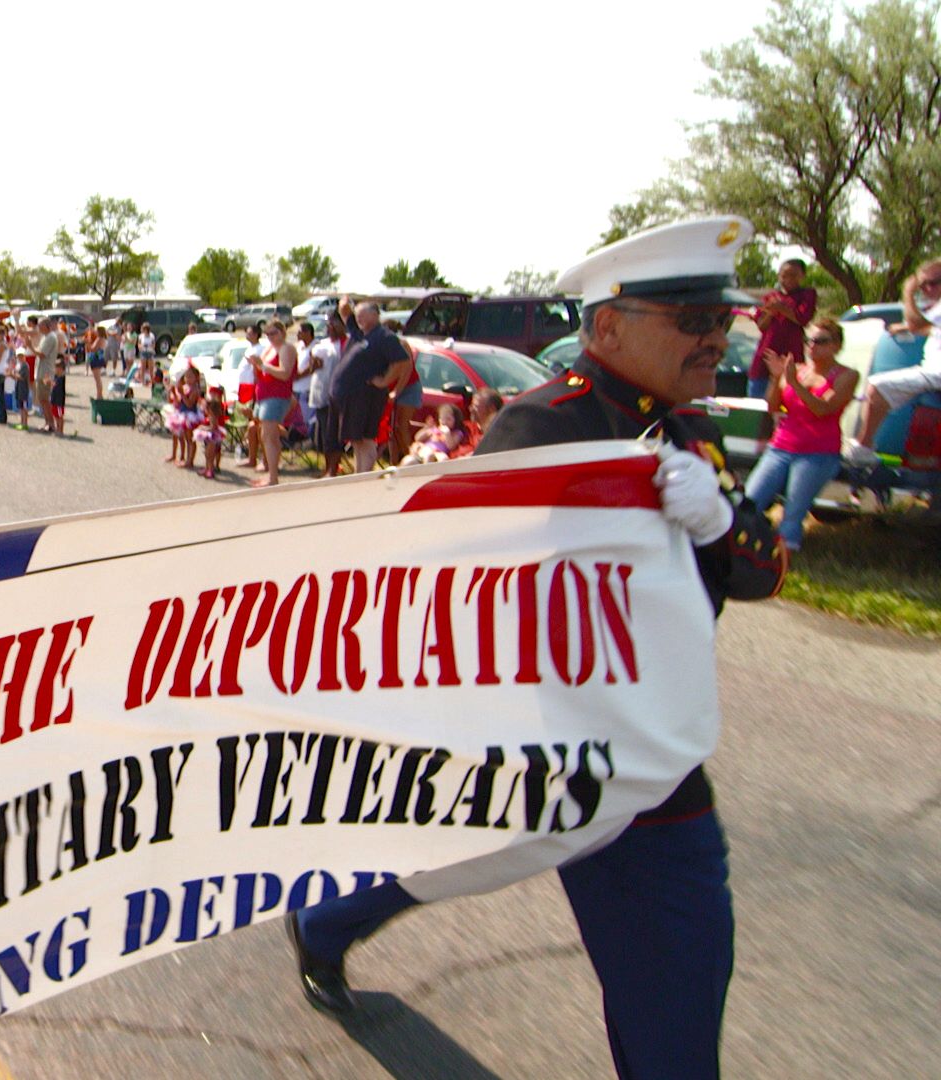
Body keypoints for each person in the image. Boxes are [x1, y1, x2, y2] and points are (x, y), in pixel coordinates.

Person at [285, 217, 785, 1080]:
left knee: (681, 996)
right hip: (541, 747)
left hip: (655, 757)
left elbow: (762, 574)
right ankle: (324, 921)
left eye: (722, 321)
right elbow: (457, 590)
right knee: (438, 862)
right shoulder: (539, 429)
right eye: (693, 321)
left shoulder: (690, 435)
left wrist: (719, 520)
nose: (716, 340)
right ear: (610, 327)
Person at [745, 318, 857, 550]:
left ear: (837, 345)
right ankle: (745, 547)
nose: (812, 346)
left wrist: (794, 383)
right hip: (780, 448)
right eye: (809, 340)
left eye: (821, 341)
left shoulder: (847, 376)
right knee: (749, 501)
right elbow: (773, 407)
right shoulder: (796, 371)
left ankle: (785, 556)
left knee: (794, 510)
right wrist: (777, 378)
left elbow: (823, 409)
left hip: (817, 453)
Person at [846, 260, 941, 463]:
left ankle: (863, 449)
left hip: (936, 373)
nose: (928, 289)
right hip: (933, 371)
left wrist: (908, 292)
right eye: (924, 284)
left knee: (878, 386)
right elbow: (929, 329)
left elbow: (917, 323)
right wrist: (906, 327)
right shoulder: (936, 308)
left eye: (935, 282)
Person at [328, 303, 411, 474]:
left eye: (363, 314)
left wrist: (385, 381)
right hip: (348, 396)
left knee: (365, 439)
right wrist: (348, 300)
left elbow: (402, 361)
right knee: (357, 440)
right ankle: (360, 476)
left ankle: (364, 477)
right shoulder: (359, 333)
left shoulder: (384, 336)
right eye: (357, 315)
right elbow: (344, 309)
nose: (359, 318)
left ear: (375, 315)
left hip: (365, 395)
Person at [748, 257, 816, 400]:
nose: (788, 279)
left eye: (794, 275)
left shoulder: (806, 295)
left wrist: (782, 308)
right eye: (784, 275)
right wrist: (771, 312)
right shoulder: (770, 297)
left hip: (791, 360)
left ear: (802, 276)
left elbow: (802, 319)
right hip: (765, 360)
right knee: (758, 405)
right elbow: (761, 325)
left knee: (786, 405)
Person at [248, 319, 299, 487]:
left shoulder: (287, 348)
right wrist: (256, 365)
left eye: (273, 333)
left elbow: (285, 373)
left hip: (277, 396)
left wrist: (263, 366)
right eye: (267, 334)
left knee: (269, 436)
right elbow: (263, 372)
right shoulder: (269, 349)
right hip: (264, 395)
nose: (270, 337)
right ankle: (271, 471)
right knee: (266, 435)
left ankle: (273, 477)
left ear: (282, 332)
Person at [307, 313, 349, 475]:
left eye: (333, 324)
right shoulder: (322, 345)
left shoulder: (345, 343)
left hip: (336, 395)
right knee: (323, 435)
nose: (329, 328)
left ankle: (333, 469)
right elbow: (312, 369)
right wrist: (314, 363)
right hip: (319, 394)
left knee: (334, 435)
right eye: (328, 325)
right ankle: (327, 468)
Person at [236, 323, 263, 470]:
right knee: (247, 417)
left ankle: (256, 453)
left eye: (250, 332)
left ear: (256, 334)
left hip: (252, 387)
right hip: (244, 386)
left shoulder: (260, 349)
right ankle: (250, 452)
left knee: (253, 418)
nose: (247, 334)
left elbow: (257, 369)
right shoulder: (249, 348)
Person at [163, 366, 203, 467]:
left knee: (190, 439)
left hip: (190, 415)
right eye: (186, 377)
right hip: (181, 413)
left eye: (190, 377)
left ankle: (190, 460)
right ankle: (178, 456)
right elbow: (178, 402)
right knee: (181, 436)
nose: (187, 379)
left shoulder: (195, 390)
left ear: (196, 378)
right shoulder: (185, 387)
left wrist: (182, 394)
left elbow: (189, 404)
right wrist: (173, 392)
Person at [193, 387, 227, 478]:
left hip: (212, 436)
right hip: (211, 436)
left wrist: (203, 428)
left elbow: (213, 427)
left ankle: (210, 469)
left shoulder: (212, 416)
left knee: (209, 454)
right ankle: (208, 468)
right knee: (208, 453)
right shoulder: (213, 414)